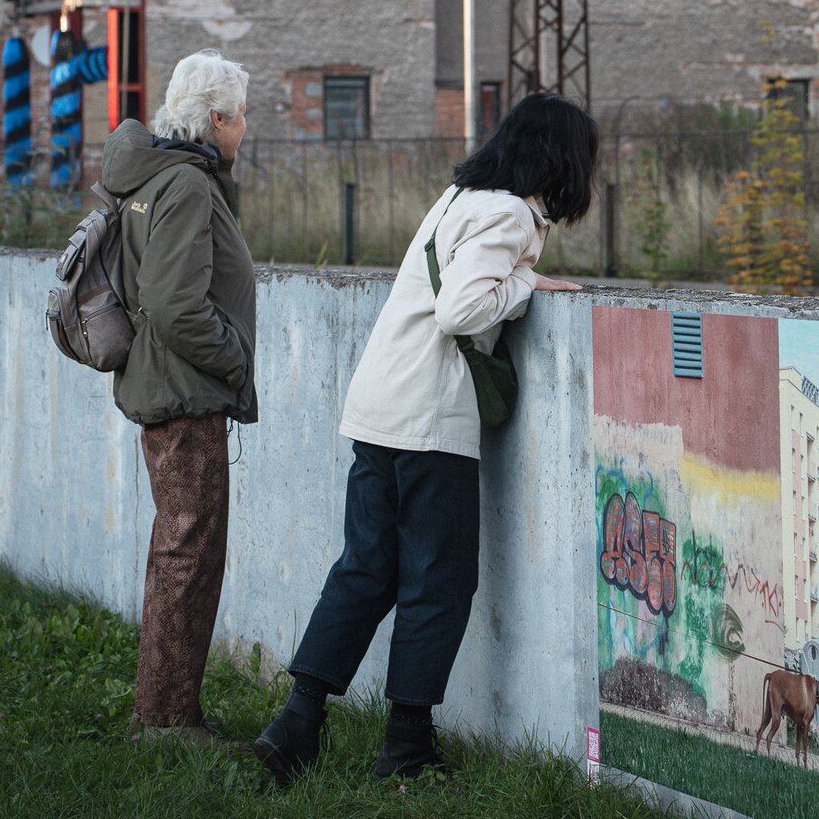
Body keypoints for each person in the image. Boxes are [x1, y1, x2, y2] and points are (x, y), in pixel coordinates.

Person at [255, 92, 597, 785]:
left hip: (380, 405)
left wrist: (518, 276)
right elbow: (461, 310)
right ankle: (407, 748)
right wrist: (526, 285)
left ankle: (295, 724)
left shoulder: (460, 197)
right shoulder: (508, 213)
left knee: (365, 569)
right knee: (439, 581)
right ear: (561, 160)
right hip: (430, 420)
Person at [101, 49, 257, 742]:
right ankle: (165, 720)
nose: (245, 126)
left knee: (180, 549)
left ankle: (164, 711)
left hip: (165, 384)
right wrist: (233, 360)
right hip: (185, 392)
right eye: (241, 114)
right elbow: (173, 305)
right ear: (216, 119)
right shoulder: (188, 184)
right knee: (188, 555)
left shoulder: (156, 175)